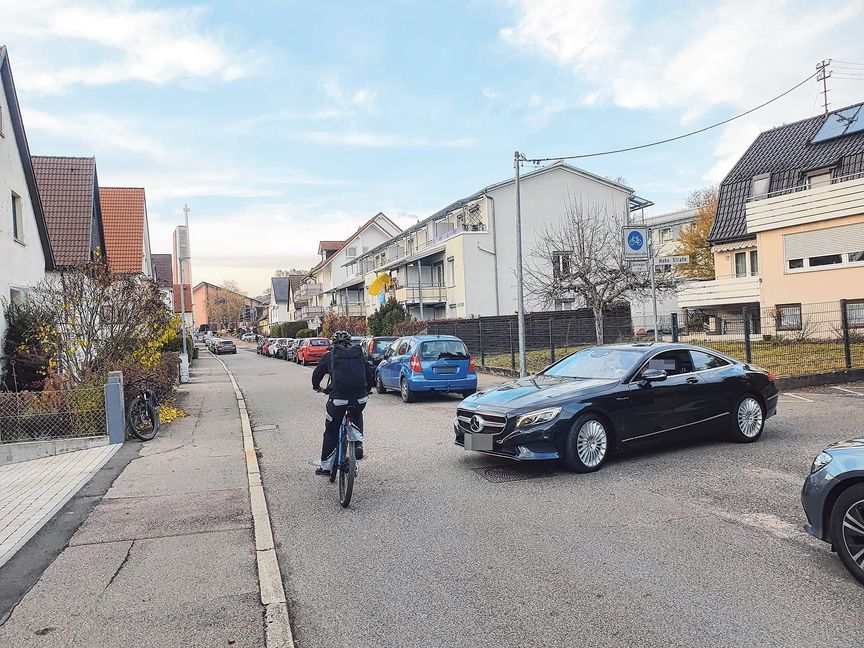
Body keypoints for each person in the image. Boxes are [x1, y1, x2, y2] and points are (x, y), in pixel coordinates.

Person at [311, 330, 375, 475]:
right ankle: (357, 443)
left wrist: (317, 387)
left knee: (331, 430)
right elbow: (369, 374)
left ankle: (326, 467)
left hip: (338, 399)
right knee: (356, 413)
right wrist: (367, 390)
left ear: (333, 343)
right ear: (349, 343)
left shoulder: (329, 356)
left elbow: (317, 374)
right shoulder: (359, 355)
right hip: (359, 398)